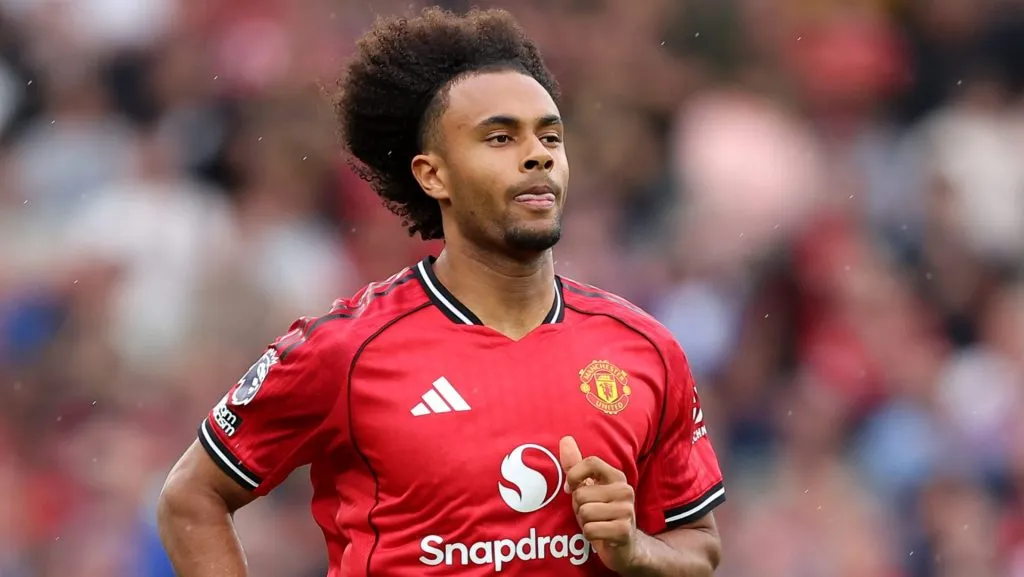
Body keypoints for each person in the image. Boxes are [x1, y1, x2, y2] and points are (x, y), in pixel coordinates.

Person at [156, 7, 725, 576]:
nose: (538, 154)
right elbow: (192, 498)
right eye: (500, 137)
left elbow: (699, 550)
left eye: (550, 135)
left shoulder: (644, 349)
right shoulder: (345, 352)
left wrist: (633, 548)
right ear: (433, 175)